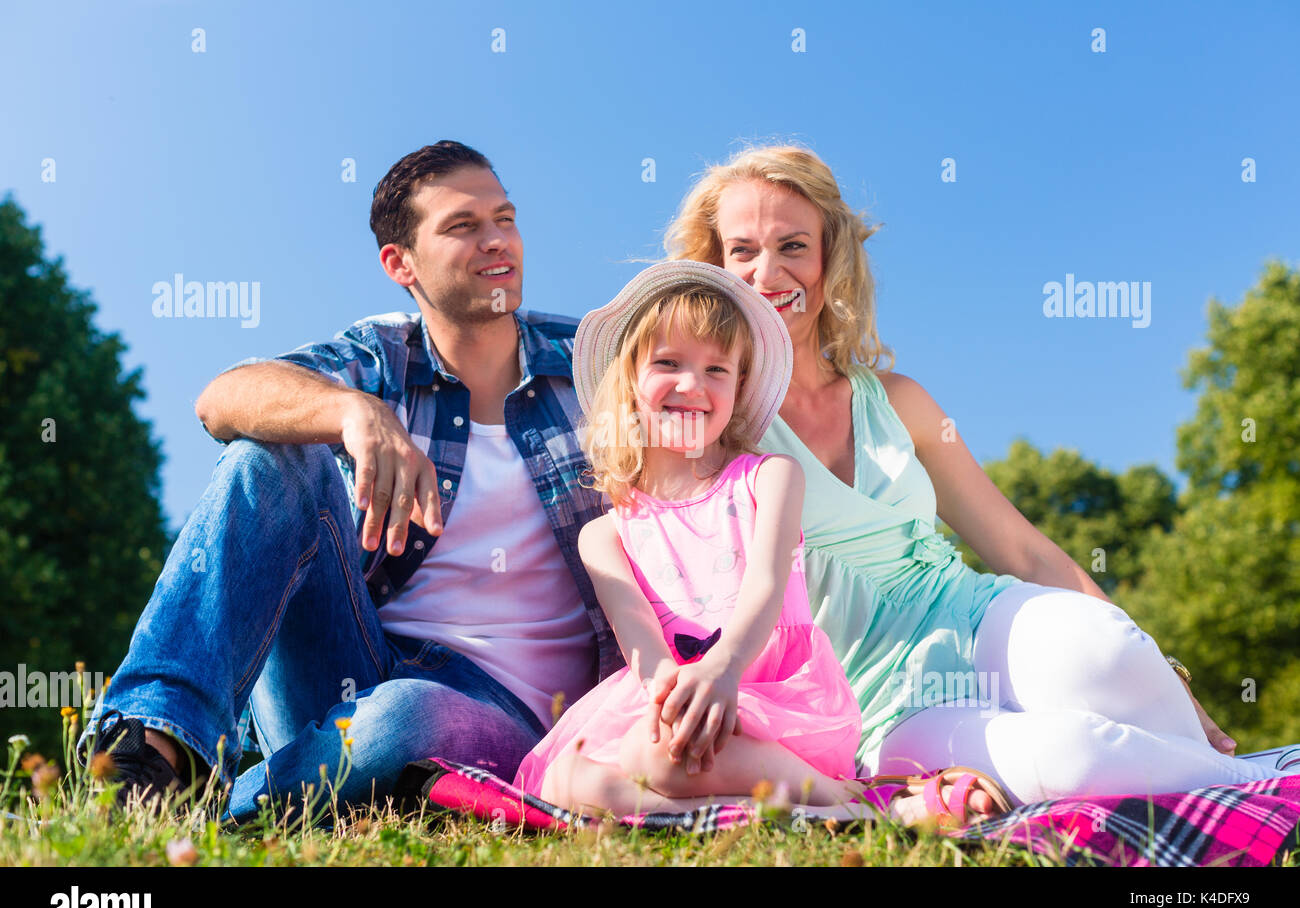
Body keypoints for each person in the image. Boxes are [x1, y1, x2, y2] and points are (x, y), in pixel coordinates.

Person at [663, 144, 1283, 820]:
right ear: (714, 268)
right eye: (743, 250)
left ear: (828, 257)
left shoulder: (899, 402)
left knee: (1112, 655)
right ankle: (1260, 784)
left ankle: (1237, 776)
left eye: (792, 245)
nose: (768, 271)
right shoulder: (717, 427)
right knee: (1077, 756)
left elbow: (1026, 552)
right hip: (876, 702)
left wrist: (1171, 675)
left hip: (969, 613)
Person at [79, 141, 621, 823]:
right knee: (270, 455)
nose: (496, 241)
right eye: (463, 226)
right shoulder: (384, 355)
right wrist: (351, 411)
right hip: (350, 670)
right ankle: (147, 758)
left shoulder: (594, 361)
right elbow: (222, 398)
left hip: (510, 711)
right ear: (401, 264)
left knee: (404, 716)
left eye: (504, 219)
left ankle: (211, 816)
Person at [514, 260, 868, 818]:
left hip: (765, 698)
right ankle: (732, 812)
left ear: (738, 388)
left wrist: (723, 669)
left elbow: (766, 591)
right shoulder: (605, 534)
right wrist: (675, 700)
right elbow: (645, 653)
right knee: (560, 776)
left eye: (716, 370)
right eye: (668, 363)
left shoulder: (768, 478)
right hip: (671, 699)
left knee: (661, 762)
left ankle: (842, 801)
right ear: (630, 379)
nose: (691, 385)